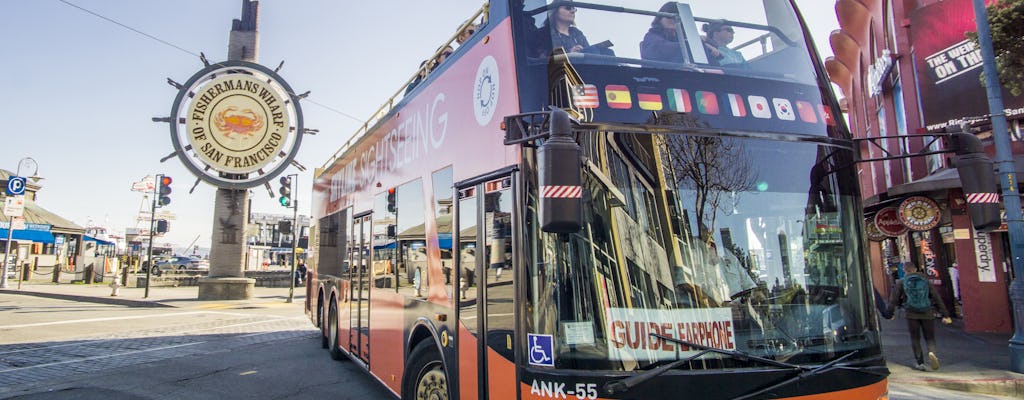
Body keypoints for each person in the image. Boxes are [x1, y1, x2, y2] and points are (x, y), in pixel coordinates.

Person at [886, 261, 952, 371]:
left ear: (905, 270)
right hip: (927, 312)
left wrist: (889, 314)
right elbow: (936, 297)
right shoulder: (925, 281)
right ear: (916, 269)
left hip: (911, 314)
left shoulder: (901, 282)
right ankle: (932, 353)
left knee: (915, 338)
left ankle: (920, 362)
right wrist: (945, 314)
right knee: (930, 337)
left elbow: (893, 300)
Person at [539, 1, 613, 56]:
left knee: (608, 52)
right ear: (555, 11)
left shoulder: (576, 32)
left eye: (574, 8)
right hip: (563, 71)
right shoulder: (545, 33)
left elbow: (589, 54)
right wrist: (570, 54)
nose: (573, 11)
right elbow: (543, 58)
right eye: (568, 8)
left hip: (582, 67)